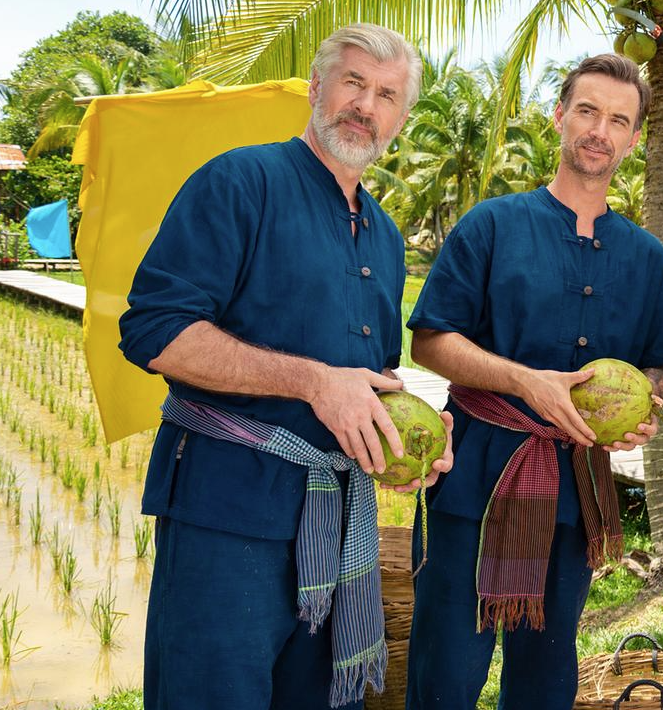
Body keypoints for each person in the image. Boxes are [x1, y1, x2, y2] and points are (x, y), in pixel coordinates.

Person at [118, 24, 453, 710]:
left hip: (332, 529)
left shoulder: (385, 236)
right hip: (227, 514)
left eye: (387, 95)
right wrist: (311, 381)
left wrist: (411, 441)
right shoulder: (241, 181)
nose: (366, 105)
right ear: (316, 88)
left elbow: (364, 382)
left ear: (400, 118)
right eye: (354, 82)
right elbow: (154, 330)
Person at [402, 53, 663, 710]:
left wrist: (643, 405)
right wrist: (525, 383)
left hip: (575, 491)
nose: (600, 130)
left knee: (544, 678)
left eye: (619, 120)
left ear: (634, 139)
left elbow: (661, 364)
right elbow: (430, 339)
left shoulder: (645, 258)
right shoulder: (492, 225)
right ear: (560, 117)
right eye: (587, 111)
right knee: (446, 673)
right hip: (475, 478)